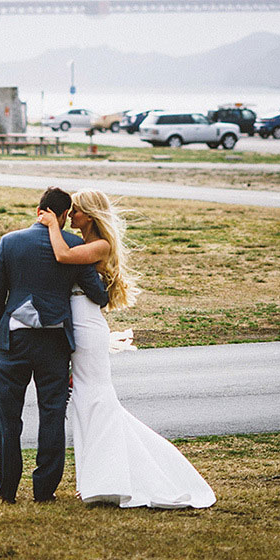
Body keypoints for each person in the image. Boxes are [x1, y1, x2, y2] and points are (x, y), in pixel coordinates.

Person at [39, 188, 216, 509]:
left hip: (87, 326)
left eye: (74, 210)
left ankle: (109, 478)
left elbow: (63, 257)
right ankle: (98, 478)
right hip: (76, 322)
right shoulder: (82, 242)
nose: (70, 215)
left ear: (89, 216)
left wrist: (52, 225)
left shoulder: (98, 245)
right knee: (84, 400)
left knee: (95, 398)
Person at [0, 186, 108, 504]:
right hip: (54, 342)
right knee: (52, 414)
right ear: (64, 215)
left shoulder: (10, 242)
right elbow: (98, 295)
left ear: (38, 210)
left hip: (12, 341)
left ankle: (5, 489)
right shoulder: (75, 245)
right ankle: (45, 490)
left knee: (8, 417)